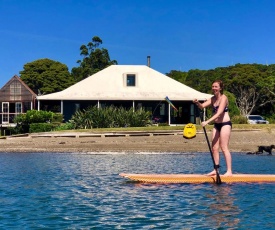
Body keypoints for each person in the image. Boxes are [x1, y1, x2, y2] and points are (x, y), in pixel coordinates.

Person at [193, 80, 233, 176]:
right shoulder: (212, 99)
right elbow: (202, 106)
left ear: (220, 88)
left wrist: (207, 122)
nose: (214, 88)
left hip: (225, 124)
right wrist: (197, 102)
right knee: (214, 148)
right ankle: (216, 170)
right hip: (216, 125)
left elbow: (219, 113)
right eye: (213, 86)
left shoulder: (224, 98)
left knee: (224, 147)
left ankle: (229, 171)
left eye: (216, 86)